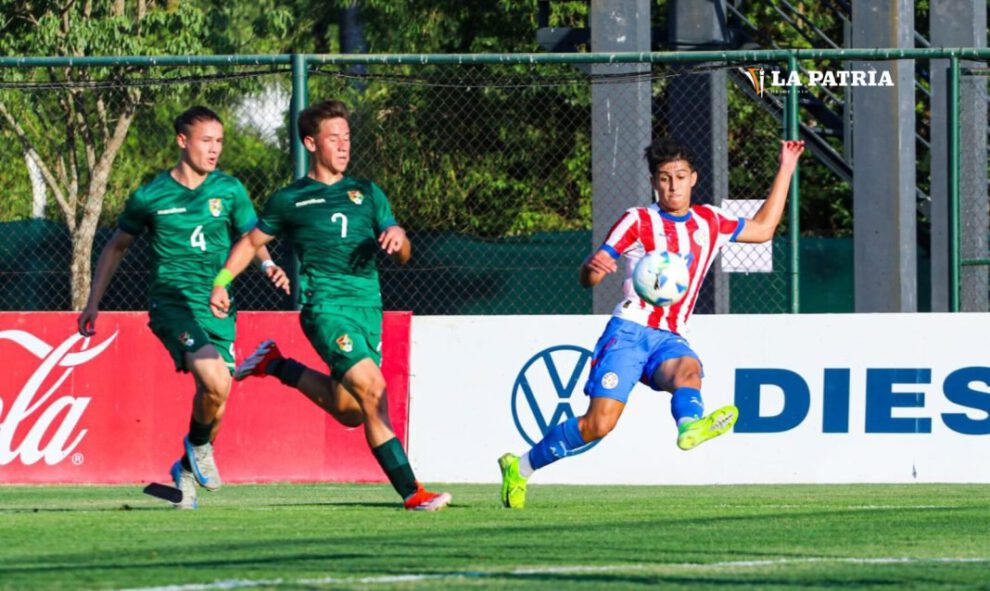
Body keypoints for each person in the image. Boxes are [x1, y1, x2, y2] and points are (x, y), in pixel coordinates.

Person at [498, 137, 805, 509]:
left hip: (670, 335)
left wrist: (786, 167)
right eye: (664, 178)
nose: (673, 186)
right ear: (654, 182)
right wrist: (593, 269)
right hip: (628, 331)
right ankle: (520, 466)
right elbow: (589, 276)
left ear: (694, 178)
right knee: (599, 425)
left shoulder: (710, 221)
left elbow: (764, 228)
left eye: (680, 177)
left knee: (688, 370)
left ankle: (690, 425)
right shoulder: (637, 220)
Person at [209, 99, 452, 511]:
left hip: (367, 310)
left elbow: (404, 253)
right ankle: (412, 492)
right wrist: (221, 282)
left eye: (347, 137)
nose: (343, 145)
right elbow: (251, 242)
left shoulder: (368, 193)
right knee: (374, 391)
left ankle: (276, 365)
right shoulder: (291, 199)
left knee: (351, 411)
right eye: (333, 138)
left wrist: (398, 237)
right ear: (311, 143)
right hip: (325, 309)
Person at [77, 106, 288, 509]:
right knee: (215, 380)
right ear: (182, 141)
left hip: (218, 305)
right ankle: (199, 449)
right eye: (206, 141)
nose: (214, 149)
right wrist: (93, 302)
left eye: (219, 141)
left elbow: (251, 238)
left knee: (217, 398)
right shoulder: (151, 195)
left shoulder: (229, 190)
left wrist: (268, 265)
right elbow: (116, 247)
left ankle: (185, 472)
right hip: (172, 302)